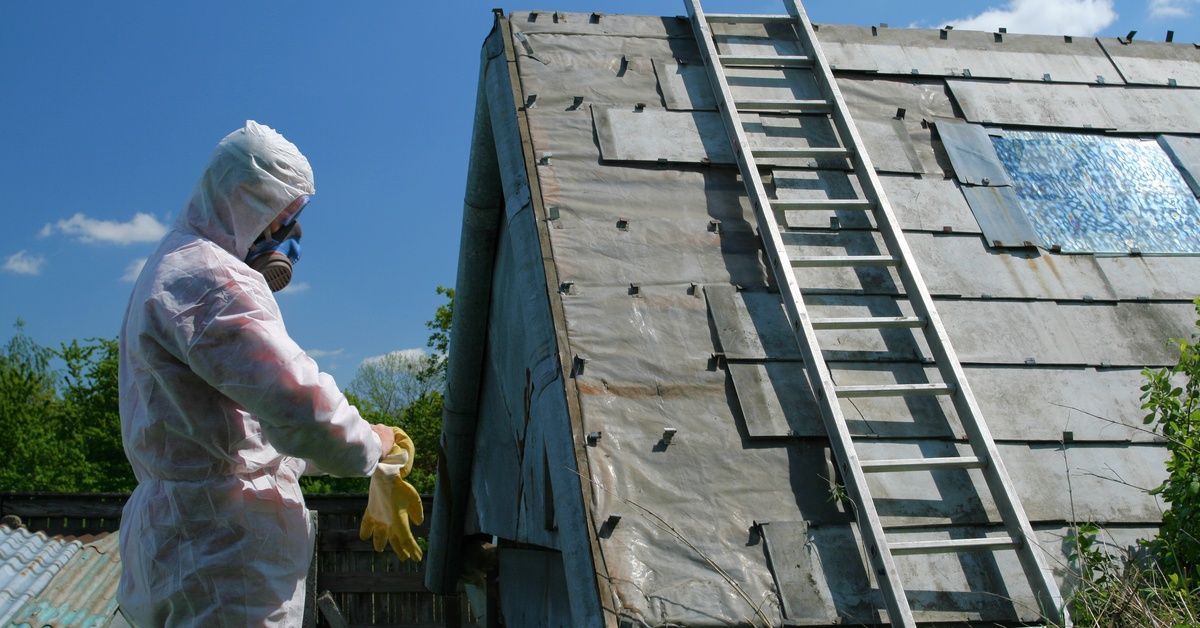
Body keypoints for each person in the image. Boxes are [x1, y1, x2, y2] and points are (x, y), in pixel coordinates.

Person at [117, 120, 394, 626]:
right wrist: (372, 446)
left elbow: (233, 437)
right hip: (223, 557)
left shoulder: (173, 265)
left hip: (188, 543)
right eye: (284, 217)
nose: (290, 236)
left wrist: (309, 461)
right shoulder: (213, 280)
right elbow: (302, 407)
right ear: (250, 204)